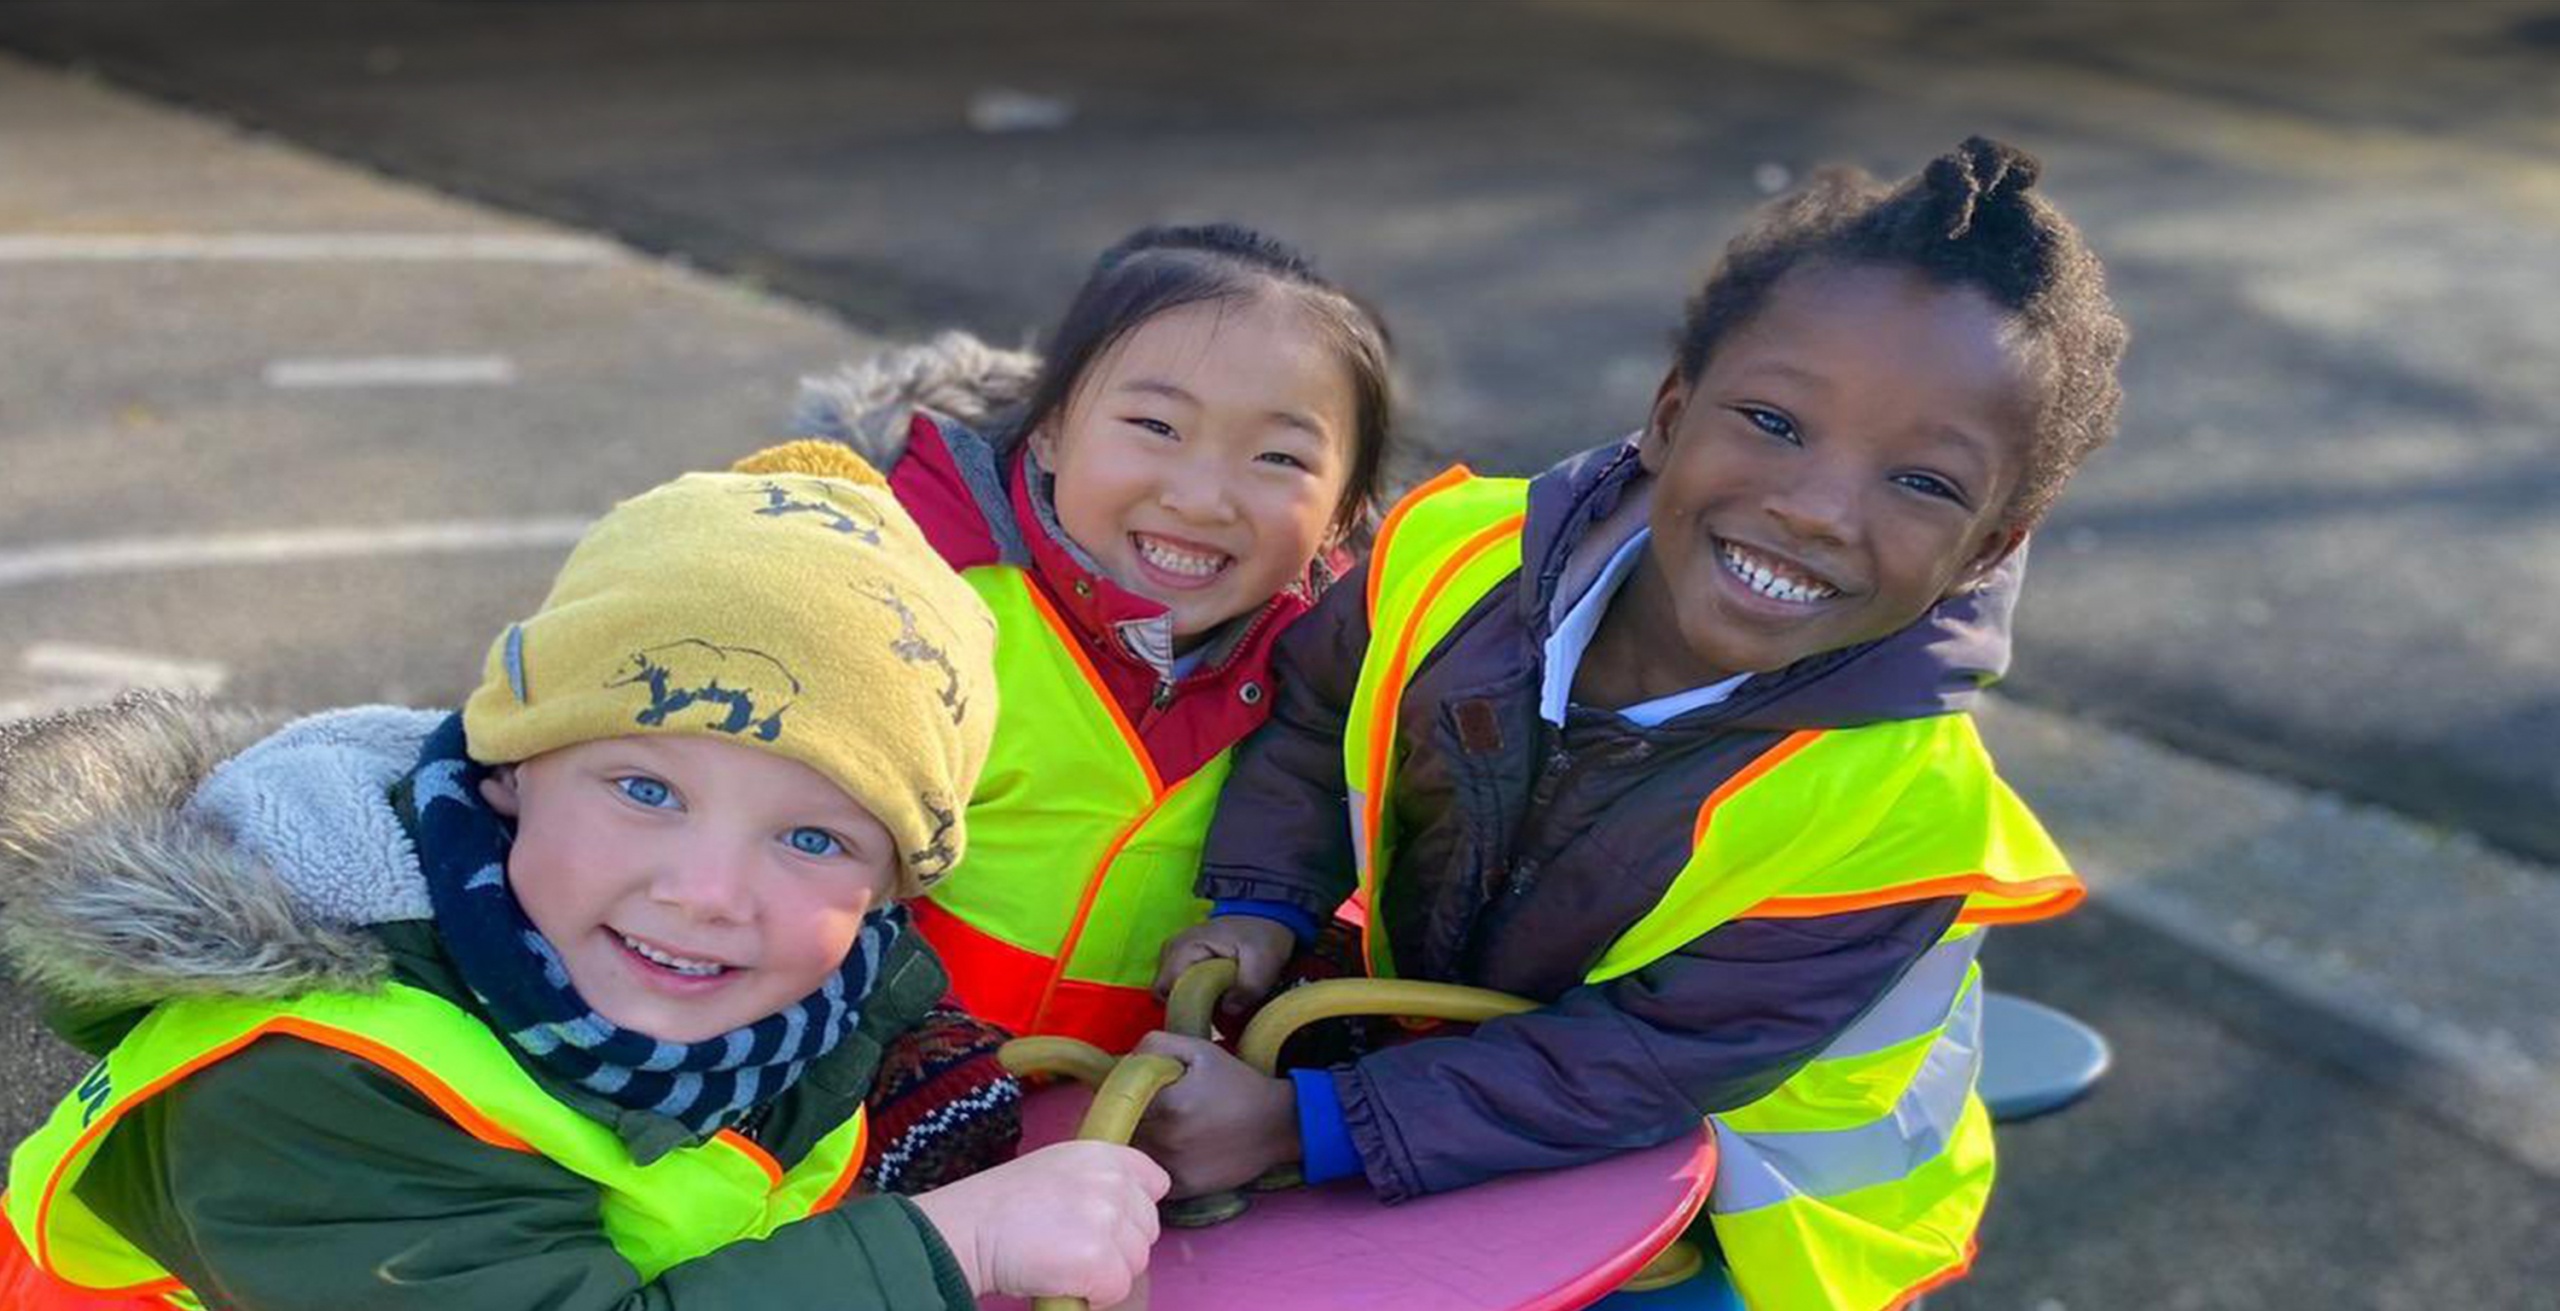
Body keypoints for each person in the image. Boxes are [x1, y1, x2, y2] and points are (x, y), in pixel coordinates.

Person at [1138, 137, 2130, 1310]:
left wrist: (1303, 1127)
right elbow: (1312, 716)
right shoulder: (1450, 561)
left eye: (1921, 484)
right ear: (1668, 416)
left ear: (1991, 549)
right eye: (1771, 420)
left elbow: (1635, 1069)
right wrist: (1262, 897)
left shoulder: (1897, 813)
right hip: (1464, 1080)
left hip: (1752, 1210)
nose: (1813, 509)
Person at [0, 453, 1167, 1310]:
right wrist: (946, 1248)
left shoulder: (803, 997)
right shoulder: (309, 1074)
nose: (710, 893)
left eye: (814, 840)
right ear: (511, 767)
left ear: (889, 890)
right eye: (647, 791)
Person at [787, 222, 1396, 1052]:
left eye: (1279, 458)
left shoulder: (1343, 671)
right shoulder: (915, 593)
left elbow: (1333, 832)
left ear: (1347, 510)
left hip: (1123, 1114)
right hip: (845, 1075)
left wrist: (1266, 924)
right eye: (1157, 427)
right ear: (1049, 428)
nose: (1202, 496)